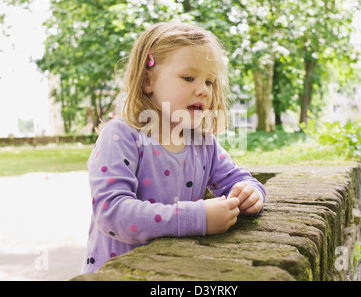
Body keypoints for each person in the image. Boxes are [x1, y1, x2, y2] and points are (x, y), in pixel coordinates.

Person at [81, 22, 266, 274]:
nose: (203, 90)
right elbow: (112, 212)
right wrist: (196, 218)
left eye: (210, 82)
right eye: (188, 78)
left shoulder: (202, 141)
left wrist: (250, 193)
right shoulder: (122, 136)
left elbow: (238, 179)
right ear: (148, 81)